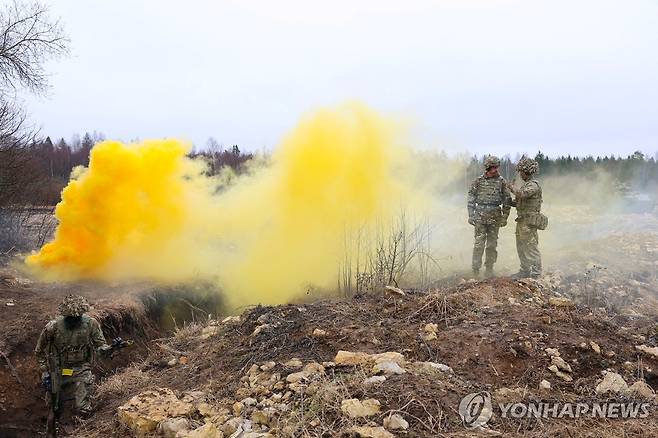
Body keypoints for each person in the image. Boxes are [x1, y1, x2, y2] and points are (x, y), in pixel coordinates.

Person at [35, 295, 125, 437]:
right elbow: (39, 352)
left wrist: (112, 348)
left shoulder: (91, 324)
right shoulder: (52, 327)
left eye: (77, 317)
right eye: (70, 318)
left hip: (80, 369)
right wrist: (45, 372)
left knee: (82, 408)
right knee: (53, 406)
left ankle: (84, 431)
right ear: (64, 315)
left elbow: (100, 349)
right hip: (59, 370)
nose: (74, 320)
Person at [467, 155, 512, 277]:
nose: (496, 170)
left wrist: (505, 217)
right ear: (488, 168)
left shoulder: (501, 182)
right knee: (478, 244)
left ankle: (489, 269)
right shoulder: (478, 181)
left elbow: (507, 200)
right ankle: (476, 270)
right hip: (480, 216)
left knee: (492, 245)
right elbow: (471, 198)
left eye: (497, 167)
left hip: (495, 217)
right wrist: (471, 215)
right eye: (493, 167)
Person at [507, 157, 544, 278]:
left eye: (521, 172)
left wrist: (511, 187)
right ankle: (525, 270)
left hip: (529, 222)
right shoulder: (525, 185)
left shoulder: (533, 185)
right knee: (521, 247)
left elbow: (523, 195)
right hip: (522, 220)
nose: (520, 174)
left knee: (530, 247)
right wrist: (508, 201)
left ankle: (536, 274)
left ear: (526, 171)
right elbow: (519, 201)